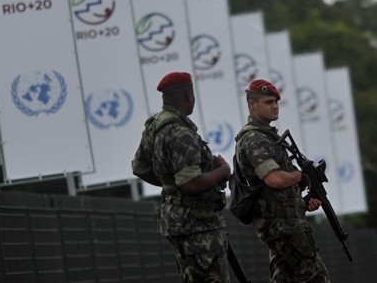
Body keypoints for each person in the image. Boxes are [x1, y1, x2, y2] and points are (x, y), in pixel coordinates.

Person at [132, 71, 231, 283]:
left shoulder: (155, 126)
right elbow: (191, 183)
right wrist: (222, 172)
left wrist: (170, 185)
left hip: (178, 220)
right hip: (197, 223)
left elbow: (140, 167)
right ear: (188, 95)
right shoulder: (181, 133)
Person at [234, 79, 330, 283]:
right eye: (269, 102)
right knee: (316, 277)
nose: (275, 106)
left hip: (285, 223)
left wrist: (302, 203)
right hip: (283, 227)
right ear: (252, 104)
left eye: (276, 102)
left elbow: (277, 192)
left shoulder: (268, 137)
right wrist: (300, 177)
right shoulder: (255, 139)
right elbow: (275, 179)